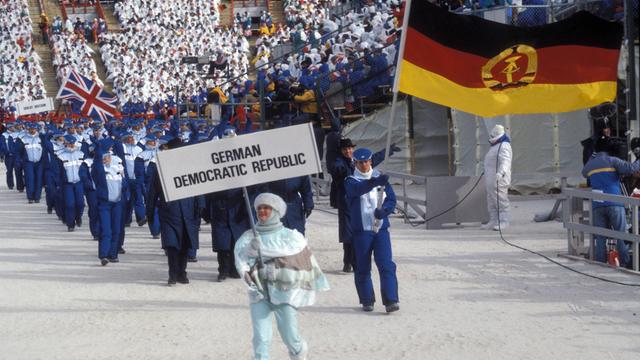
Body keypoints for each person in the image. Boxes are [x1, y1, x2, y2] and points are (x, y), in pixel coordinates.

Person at [234, 193, 329, 360]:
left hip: (285, 292)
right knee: (261, 338)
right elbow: (242, 263)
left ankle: (298, 352)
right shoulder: (249, 237)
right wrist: (251, 252)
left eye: (266, 208)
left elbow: (302, 261)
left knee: (289, 335)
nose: (262, 211)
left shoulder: (291, 237)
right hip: (260, 292)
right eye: (259, 208)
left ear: (276, 211)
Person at [344, 148, 399, 313]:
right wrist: (376, 182)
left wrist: (385, 210)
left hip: (380, 229)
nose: (363, 165)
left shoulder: (378, 177)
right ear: (355, 163)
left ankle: (391, 300)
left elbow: (391, 199)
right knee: (362, 266)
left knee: (386, 264)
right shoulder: (350, 180)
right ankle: (367, 299)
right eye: (360, 162)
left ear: (370, 161)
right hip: (362, 231)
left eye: (366, 161)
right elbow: (357, 190)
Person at [146, 138, 201, 285]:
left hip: (187, 210)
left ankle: (182, 273)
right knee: (172, 245)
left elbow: (198, 189)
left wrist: (199, 208)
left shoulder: (190, 167)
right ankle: (172, 274)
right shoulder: (162, 168)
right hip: (170, 211)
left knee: (184, 243)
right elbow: (153, 192)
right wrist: (150, 212)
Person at [582, 136, 640, 268]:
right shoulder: (612, 160)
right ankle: (625, 262)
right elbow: (631, 169)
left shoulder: (591, 163)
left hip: (597, 204)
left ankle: (600, 263)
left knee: (601, 236)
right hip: (615, 203)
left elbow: (584, 173)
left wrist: (592, 155)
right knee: (620, 234)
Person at [92, 139, 127, 265]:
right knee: (106, 229)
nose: (105, 159)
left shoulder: (118, 164)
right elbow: (97, 164)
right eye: (103, 157)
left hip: (117, 203)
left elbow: (124, 179)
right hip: (104, 204)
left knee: (116, 229)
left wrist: (125, 189)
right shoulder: (98, 169)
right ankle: (104, 255)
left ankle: (113, 254)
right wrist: (98, 152)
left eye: (107, 156)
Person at [483, 124, 512, 231]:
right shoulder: (495, 146)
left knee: (501, 200)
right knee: (491, 200)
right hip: (491, 179)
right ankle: (493, 221)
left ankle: (504, 221)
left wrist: (501, 173)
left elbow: (505, 161)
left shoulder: (504, 145)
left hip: (499, 179)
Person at [17, 123, 44, 203]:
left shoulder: (41, 138)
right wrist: (19, 160)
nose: (32, 130)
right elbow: (18, 151)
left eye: (34, 129)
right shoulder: (23, 139)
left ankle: (37, 197)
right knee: (30, 179)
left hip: (39, 162)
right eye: (31, 129)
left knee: (38, 179)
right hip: (28, 163)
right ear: (28, 129)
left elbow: (45, 149)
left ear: (36, 129)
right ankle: (30, 197)